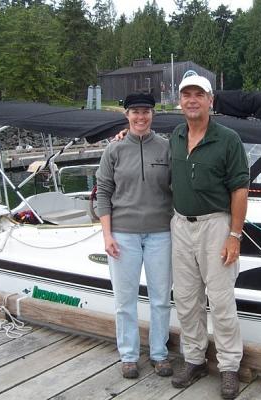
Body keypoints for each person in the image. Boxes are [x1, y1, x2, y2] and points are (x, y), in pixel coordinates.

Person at [169, 75, 249, 400]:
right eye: (186, 95)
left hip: (216, 225)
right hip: (179, 225)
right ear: (180, 101)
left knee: (220, 300)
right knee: (186, 300)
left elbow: (240, 189)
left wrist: (235, 235)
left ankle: (229, 366)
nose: (191, 100)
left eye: (198, 94)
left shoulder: (228, 140)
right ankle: (194, 359)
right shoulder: (174, 136)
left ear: (210, 100)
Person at [96, 92, 174, 379]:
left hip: (160, 234)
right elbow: (103, 193)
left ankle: (159, 354)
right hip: (123, 234)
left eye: (146, 112)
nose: (141, 117)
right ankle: (128, 356)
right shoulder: (113, 151)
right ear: (126, 115)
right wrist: (107, 235)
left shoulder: (166, 148)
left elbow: (177, 187)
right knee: (124, 301)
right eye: (135, 112)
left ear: (153, 115)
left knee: (161, 299)